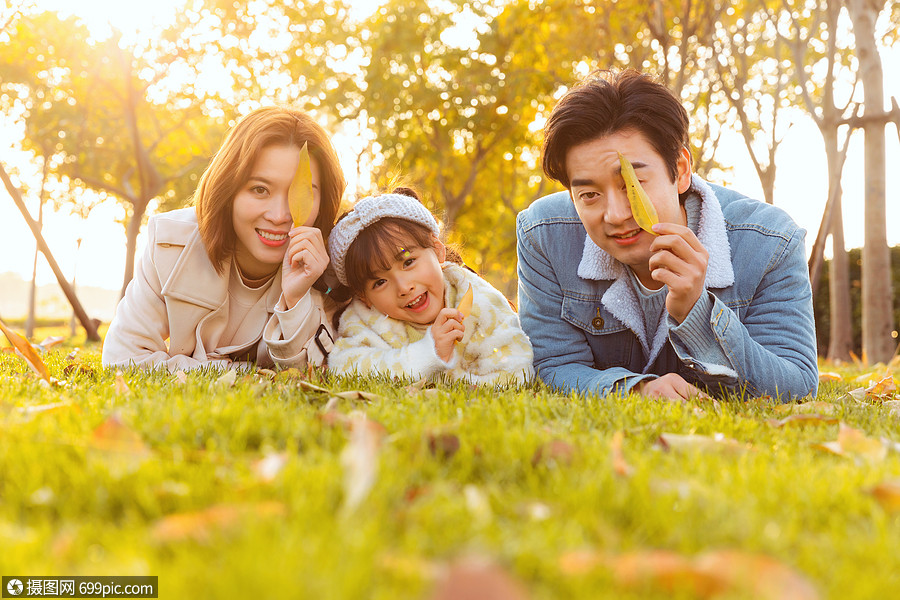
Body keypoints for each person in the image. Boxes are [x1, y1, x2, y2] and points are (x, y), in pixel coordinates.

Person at [516, 69, 818, 401]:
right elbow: (553, 367)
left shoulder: (770, 243)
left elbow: (795, 386)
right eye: (589, 195)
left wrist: (697, 312)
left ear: (681, 169)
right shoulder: (543, 235)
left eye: (632, 184)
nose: (615, 215)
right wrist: (636, 389)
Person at [102, 106, 348, 371]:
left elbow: (315, 373)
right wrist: (240, 372)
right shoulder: (171, 243)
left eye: (300, 194)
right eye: (260, 189)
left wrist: (295, 301)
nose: (279, 216)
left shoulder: (332, 272)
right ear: (228, 189)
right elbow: (123, 360)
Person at [327, 189, 534, 385]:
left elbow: (516, 369)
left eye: (408, 262)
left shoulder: (479, 301)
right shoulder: (365, 319)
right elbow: (342, 368)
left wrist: (454, 386)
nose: (404, 287)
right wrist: (428, 353)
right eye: (380, 282)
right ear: (364, 297)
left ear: (437, 250)